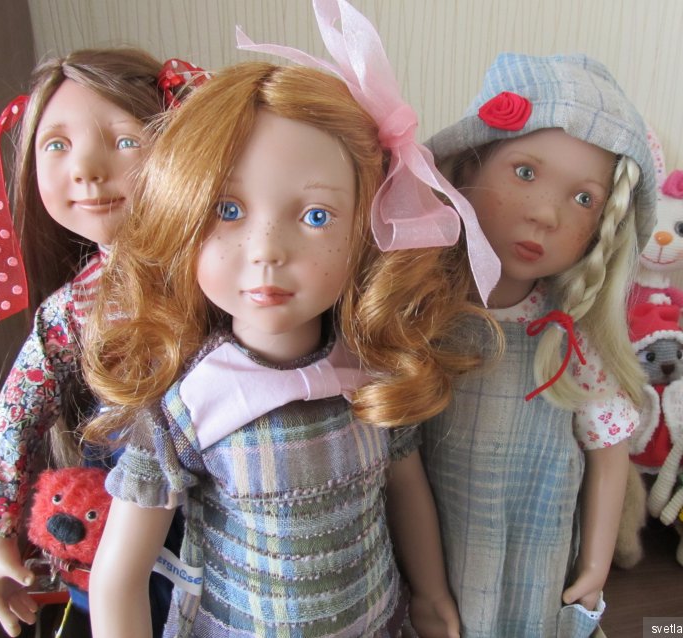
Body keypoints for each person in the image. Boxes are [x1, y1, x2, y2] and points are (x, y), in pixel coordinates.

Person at [83, 4, 498, 634]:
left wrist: (432, 593)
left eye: (316, 217)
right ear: (181, 215)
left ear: (367, 227)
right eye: (227, 210)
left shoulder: (372, 373)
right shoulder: (190, 403)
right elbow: (118, 577)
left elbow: (406, 489)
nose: (267, 250)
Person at [420, 53, 657, 637]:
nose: (547, 214)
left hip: (535, 553)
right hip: (430, 548)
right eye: (524, 172)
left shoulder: (570, 335)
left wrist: (595, 565)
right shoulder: (422, 315)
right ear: (467, 167)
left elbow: (608, 457)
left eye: (584, 199)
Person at [0, 47, 193, 637]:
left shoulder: (218, 272)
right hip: (118, 511)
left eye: (125, 140)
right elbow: (13, 420)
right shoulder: (73, 310)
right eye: (56, 145)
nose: (86, 169)